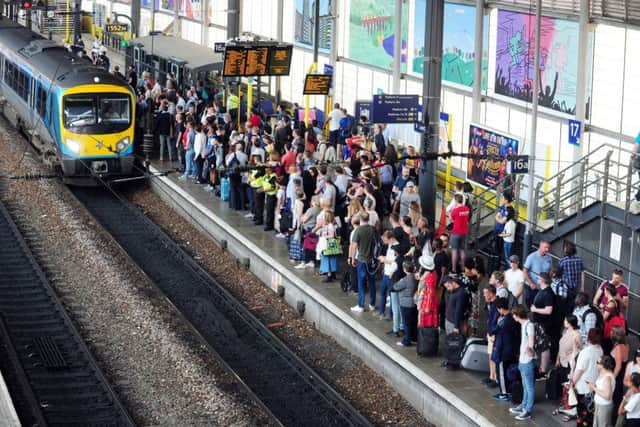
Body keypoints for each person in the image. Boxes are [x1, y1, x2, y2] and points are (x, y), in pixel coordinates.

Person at [572, 328, 605, 426]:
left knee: (582, 416)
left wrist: (571, 383)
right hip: (595, 387)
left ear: (588, 338)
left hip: (583, 388)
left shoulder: (585, 353)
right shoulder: (600, 350)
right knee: (591, 415)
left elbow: (579, 371)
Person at [510, 304, 536, 421]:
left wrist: (529, 351)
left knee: (529, 387)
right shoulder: (524, 325)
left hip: (527, 360)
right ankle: (523, 405)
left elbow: (531, 342)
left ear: (517, 315)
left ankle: (528, 410)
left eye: (514, 315)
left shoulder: (529, 326)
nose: (513, 317)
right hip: (523, 360)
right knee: (525, 386)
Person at [491, 297, 520, 402]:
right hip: (512, 349)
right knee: (509, 371)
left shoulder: (504, 321)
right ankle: (509, 391)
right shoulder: (513, 318)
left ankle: (504, 393)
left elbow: (493, 330)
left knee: (502, 372)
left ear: (500, 309)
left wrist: (498, 322)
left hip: (503, 351)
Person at [349, 212, 377, 313]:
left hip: (361, 259)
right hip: (372, 259)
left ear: (360, 219)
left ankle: (361, 305)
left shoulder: (358, 230)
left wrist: (352, 258)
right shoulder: (372, 229)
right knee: (372, 282)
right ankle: (372, 304)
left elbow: (354, 246)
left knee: (361, 282)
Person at [393, 261, 418, 347]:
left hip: (405, 303)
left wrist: (400, 280)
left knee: (406, 323)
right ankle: (414, 338)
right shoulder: (415, 278)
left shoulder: (405, 280)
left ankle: (406, 341)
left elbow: (395, 287)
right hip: (414, 302)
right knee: (413, 322)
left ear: (405, 269)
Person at [523, 240, 553, 307]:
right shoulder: (531, 257)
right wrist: (530, 283)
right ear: (540, 246)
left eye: (548, 248)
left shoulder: (549, 258)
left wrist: (549, 281)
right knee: (530, 304)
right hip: (532, 286)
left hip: (543, 287)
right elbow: (525, 271)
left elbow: (550, 271)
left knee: (540, 305)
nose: (547, 249)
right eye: (545, 247)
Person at [589, 355, 616, 427]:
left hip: (604, 405)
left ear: (602, 365)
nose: (596, 364)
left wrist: (594, 388)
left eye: (597, 362)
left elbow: (607, 396)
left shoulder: (607, 377)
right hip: (599, 404)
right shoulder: (603, 373)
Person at [378, 231, 399, 320]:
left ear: (390, 239)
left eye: (386, 240)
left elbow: (395, 262)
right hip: (386, 272)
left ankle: (391, 315)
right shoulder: (390, 245)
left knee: (391, 295)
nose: (384, 242)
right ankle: (381, 312)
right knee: (382, 292)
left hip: (391, 274)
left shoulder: (396, 247)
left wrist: (384, 260)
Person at [610, 326, 629, 425]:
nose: (610, 333)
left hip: (617, 377)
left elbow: (618, 366)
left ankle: (614, 422)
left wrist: (612, 378)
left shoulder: (618, 348)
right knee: (617, 398)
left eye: (611, 332)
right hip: (621, 376)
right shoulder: (625, 345)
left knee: (615, 399)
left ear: (616, 335)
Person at [316, 210, 340, 282]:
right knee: (332, 260)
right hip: (332, 246)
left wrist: (324, 236)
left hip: (328, 245)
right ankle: (333, 274)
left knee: (327, 260)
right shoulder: (332, 225)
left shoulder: (330, 226)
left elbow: (332, 235)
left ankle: (329, 275)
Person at [449, 194, 470, 273]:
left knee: (454, 251)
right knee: (462, 250)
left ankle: (454, 268)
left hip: (455, 233)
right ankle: (462, 267)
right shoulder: (467, 209)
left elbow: (451, 220)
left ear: (455, 201)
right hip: (464, 232)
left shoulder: (455, 210)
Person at [418, 255, 438, 330]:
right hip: (431, 298)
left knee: (426, 319)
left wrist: (427, 306)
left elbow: (430, 291)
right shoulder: (433, 273)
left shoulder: (429, 276)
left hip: (428, 300)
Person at [494, 192, 513, 265]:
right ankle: (496, 263)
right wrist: (500, 219)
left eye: (503, 198)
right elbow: (496, 216)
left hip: (503, 232)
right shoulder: (502, 206)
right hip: (497, 228)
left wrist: (500, 219)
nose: (501, 199)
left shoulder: (510, 210)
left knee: (502, 250)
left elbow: (502, 221)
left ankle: (500, 264)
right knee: (496, 248)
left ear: (506, 200)